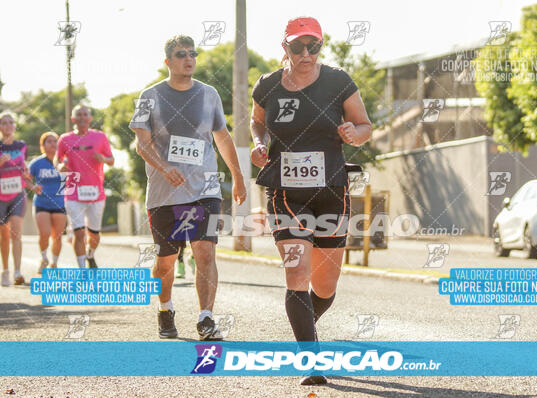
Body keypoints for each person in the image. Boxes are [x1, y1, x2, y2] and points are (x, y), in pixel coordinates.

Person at [250, 17, 372, 385]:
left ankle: (305, 332)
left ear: (321, 47)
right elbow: (256, 121)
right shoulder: (269, 85)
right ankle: (310, 360)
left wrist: (354, 133)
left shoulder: (338, 81)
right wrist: (259, 143)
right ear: (284, 47)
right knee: (297, 271)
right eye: (298, 46)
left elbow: (365, 126)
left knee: (325, 286)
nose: (306, 53)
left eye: (313, 46)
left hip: (332, 191)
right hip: (286, 193)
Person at [129, 35, 246, 340]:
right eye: (181, 54)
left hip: (204, 189)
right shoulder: (148, 97)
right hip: (163, 192)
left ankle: (206, 318)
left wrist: (238, 176)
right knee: (166, 262)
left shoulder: (209, 95)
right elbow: (140, 143)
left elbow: (222, 138)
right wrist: (164, 167)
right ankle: (165, 309)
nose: (188, 59)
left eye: (192, 53)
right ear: (168, 61)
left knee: (205, 252)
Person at [56, 105, 114, 268]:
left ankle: (90, 254)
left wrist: (103, 158)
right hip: (73, 191)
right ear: (73, 119)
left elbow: (111, 160)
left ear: (90, 118)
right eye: (78, 115)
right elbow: (57, 160)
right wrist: (60, 166)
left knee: (94, 234)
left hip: (96, 192)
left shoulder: (100, 137)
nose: (82, 117)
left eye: (85, 114)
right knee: (79, 232)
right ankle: (82, 269)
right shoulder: (65, 139)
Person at [0, 111, 31, 286]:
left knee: (16, 233)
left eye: (10, 122)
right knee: (3, 236)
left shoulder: (22, 145)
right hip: (0, 196)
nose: (7, 126)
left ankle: (18, 272)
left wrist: (26, 173)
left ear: (14, 126)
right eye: (3, 123)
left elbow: (23, 168)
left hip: (18, 194)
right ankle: (5, 270)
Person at [29, 132, 67, 272]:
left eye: (55, 141)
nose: (52, 144)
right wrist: (32, 186)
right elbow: (26, 177)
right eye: (49, 141)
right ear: (43, 145)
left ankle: (54, 263)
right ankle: (44, 258)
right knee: (44, 233)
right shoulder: (37, 163)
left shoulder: (64, 162)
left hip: (60, 203)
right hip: (41, 203)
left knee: (57, 236)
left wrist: (67, 171)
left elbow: (75, 177)